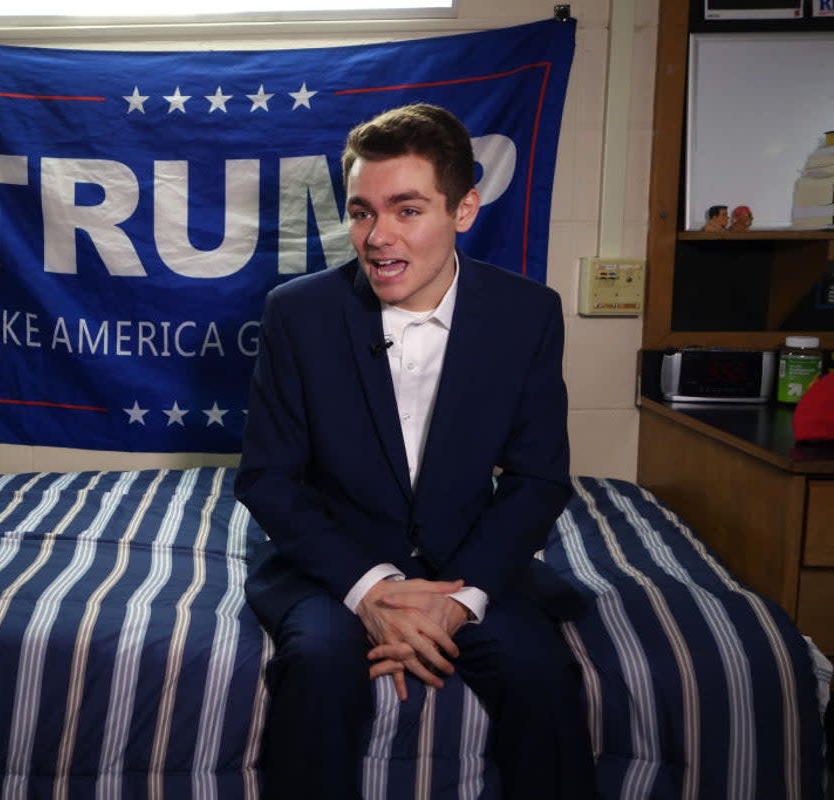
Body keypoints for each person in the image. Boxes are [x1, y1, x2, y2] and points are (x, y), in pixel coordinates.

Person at [235, 103, 595, 799]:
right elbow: (270, 480)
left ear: (464, 210)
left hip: (469, 562)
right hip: (331, 561)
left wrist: (457, 602)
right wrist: (372, 589)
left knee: (544, 675)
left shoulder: (528, 313)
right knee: (319, 666)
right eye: (363, 212)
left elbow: (538, 480)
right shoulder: (297, 311)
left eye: (406, 210)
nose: (377, 237)